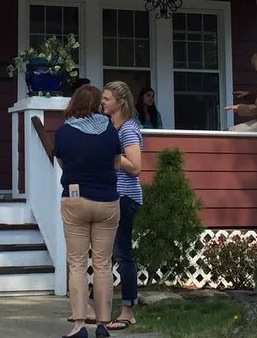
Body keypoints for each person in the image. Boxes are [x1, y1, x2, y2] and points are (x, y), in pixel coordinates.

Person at [54, 84, 121, 338]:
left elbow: (62, 162)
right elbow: (116, 164)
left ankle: (79, 325)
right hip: (107, 202)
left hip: (75, 200)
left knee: (78, 264)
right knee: (103, 264)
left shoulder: (64, 132)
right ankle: (103, 324)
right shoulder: (109, 130)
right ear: (97, 105)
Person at [101, 81, 144, 330]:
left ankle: (128, 311)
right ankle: (97, 306)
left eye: (107, 98)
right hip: (111, 196)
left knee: (123, 252)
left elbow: (136, 167)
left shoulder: (127, 129)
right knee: (106, 252)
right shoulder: (110, 128)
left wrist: (113, 155)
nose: (102, 102)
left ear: (120, 102)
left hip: (126, 197)